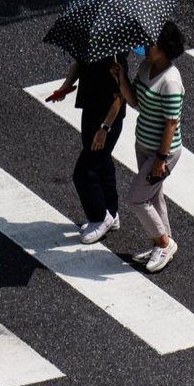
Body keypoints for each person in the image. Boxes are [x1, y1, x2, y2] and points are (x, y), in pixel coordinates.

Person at [111, 21, 185, 273]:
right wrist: (121, 78)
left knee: (136, 199)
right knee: (153, 195)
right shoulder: (146, 66)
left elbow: (171, 123)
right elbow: (136, 103)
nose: (145, 48)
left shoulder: (171, 82)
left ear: (165, 49)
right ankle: (161, 244)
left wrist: (161, 159)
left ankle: (164, 242)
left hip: (162, 152)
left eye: (150, 44)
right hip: (142, 144)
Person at [47, 54, 128, 244]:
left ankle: (100, 217)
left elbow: (120, 96)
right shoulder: (93, 47)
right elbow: (79, 64)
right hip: (90, 110)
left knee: (84, 172)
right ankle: (112, 212)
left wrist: (104, 129)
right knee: (103, 163)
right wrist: (65, 88)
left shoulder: (116, 58)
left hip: (108, 121)